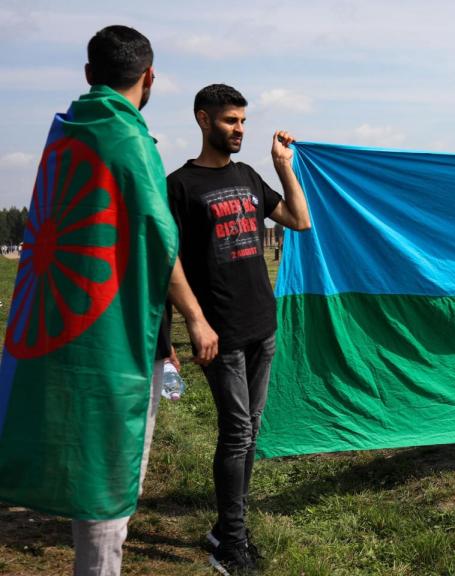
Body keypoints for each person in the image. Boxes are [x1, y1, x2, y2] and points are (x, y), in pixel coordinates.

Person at [0, 25, 217, 576]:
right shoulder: (130, 142)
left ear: (89, 76)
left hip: (61, 325)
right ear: (150, 78)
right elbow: (159, 241)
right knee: (107, 465)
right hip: (110, 339)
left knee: (84, 450)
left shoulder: (68, 133)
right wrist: (195, 316)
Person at [167, 83, 311, 574]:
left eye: (244, 121)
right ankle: (231, 543)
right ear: (203, 120)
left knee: (249, 433)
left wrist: (283, 168)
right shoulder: (180, 186)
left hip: (261, 326)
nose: (240, 130)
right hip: (220, 333)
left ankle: (227, 527)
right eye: (230, 121)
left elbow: (299, 219)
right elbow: (168, 263)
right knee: (234, 434)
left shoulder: (249, 175)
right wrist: (195, 321)